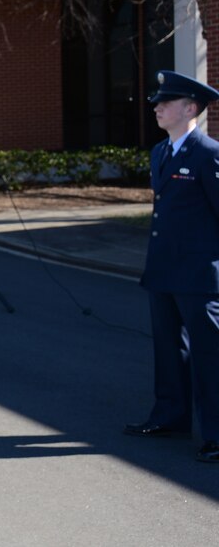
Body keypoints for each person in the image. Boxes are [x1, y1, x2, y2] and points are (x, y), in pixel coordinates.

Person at [126, 70, 219, 463]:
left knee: (209, 355)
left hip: (199, 275)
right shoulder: (161, 152)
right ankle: (170, 416)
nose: (157, 107)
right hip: (163, 270)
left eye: (166, 102)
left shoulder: (209, 153)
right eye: (157, 102)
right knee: (168, 351)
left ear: (191, 107)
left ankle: (215, 434)